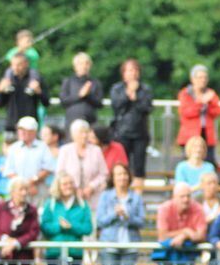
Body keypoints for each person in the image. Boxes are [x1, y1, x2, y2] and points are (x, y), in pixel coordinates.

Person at [110, 59, 154, 189]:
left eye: (135, 70)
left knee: (139, 167)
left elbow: (148, 108)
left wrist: (136, 98)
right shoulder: (117, 88)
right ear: (123, 73)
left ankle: (138, 196)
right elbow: (116, 106)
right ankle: (121, 192)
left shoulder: (145, 89)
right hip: (122, 132)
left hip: (140, 133)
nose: (132, 73)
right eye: (129, 70)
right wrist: (128, 94)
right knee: (122, 165)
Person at [56, 119, 108, 213]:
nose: (84, 135)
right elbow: (60, 173)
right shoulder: (65, 150)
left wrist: (91, 187)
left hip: (93, 196)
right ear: (73, 134)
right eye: (81, 132)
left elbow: (103, 174)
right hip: (70, 195)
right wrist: (74, 188)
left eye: (86, 132)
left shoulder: (96, 150)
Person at [2, 117, 55, 203]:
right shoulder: (13, 148)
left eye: (25, 130)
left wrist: (33, 182)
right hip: (17, 192)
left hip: (38, 191)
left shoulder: (43, 147)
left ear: (33, 131)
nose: (22, 132)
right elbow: (9, 171)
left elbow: (48, 168)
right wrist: (24, 185)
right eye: (20, 129)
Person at [177, 65, 220, 166]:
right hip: (189, 135)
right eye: (200, 77)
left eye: (205, 77)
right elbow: (186, 112)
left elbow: (217, 111)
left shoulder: (211, 93)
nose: (203, 80)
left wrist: (208, 104)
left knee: (209, 161)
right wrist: (201, 102)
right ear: (193, 79)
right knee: (189, 162)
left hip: (207, 133)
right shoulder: (185, 93)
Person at [0, 53, 49, 135]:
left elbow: (46, 102)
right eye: (13, 65)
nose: (15, 68)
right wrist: (0, 91)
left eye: (18, 65)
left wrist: (39, 92)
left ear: (26, 64)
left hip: (30, 126)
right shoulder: (8, 79)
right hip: (11, 126)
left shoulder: (35, 78)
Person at [59, 52, 103, 133]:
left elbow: (99, 104)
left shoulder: (95, 82)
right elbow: (63, 101)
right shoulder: (68, 81)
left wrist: (88, 95)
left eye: (86, 64)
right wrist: (80, 95)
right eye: (80, 64)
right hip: (72, 123)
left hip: (90, 123)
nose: (84, 66)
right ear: (75, 66)